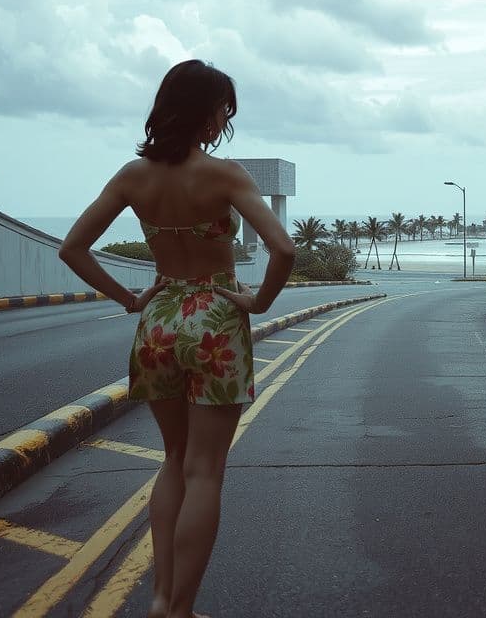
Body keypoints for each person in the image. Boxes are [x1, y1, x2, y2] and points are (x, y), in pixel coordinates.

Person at [59, 59, 295, 618]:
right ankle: (179, 609)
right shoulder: (225, 175)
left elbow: (72, 248)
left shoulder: (132, 177)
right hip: (215, 318)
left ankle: (161, 597)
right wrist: (259, 302)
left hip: (159, 321)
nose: (224, 121)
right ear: (206, 114)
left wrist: (130, 300)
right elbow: (283, 249)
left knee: (172, 458)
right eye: (222, 111)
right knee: (204, 469)